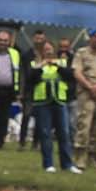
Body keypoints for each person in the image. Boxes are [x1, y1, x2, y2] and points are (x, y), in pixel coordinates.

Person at [27, 38, 74, 172]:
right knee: (45, 133)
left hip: (59, 100)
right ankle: (48, 164)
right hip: (42, 101)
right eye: (45, 50)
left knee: (64, 133)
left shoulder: (62, 63)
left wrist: (57, 66)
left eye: (50, 50)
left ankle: (67, 164)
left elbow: (69, 76)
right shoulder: (35, 64)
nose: (48, 52)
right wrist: (41, 66)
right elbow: (31, 79)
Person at [70, 28, 96, 167]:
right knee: (84, 124)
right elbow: (77, 72)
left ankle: (92, 155)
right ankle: (80, 156)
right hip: (85, 91)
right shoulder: (82, 53)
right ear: (90, 38)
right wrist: (89, 86)